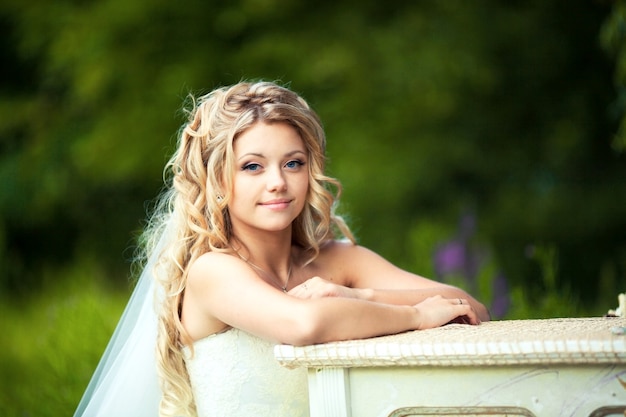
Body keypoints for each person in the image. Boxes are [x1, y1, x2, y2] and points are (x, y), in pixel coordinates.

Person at [74, 81, 490, 417]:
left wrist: (355, 295)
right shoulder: (212, 272)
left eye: (293, 163)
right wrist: (415, 315)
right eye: (252, 166)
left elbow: (468, 307)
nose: (277, 181)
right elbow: (303, 325)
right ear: (218, 180)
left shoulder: (340, 260)